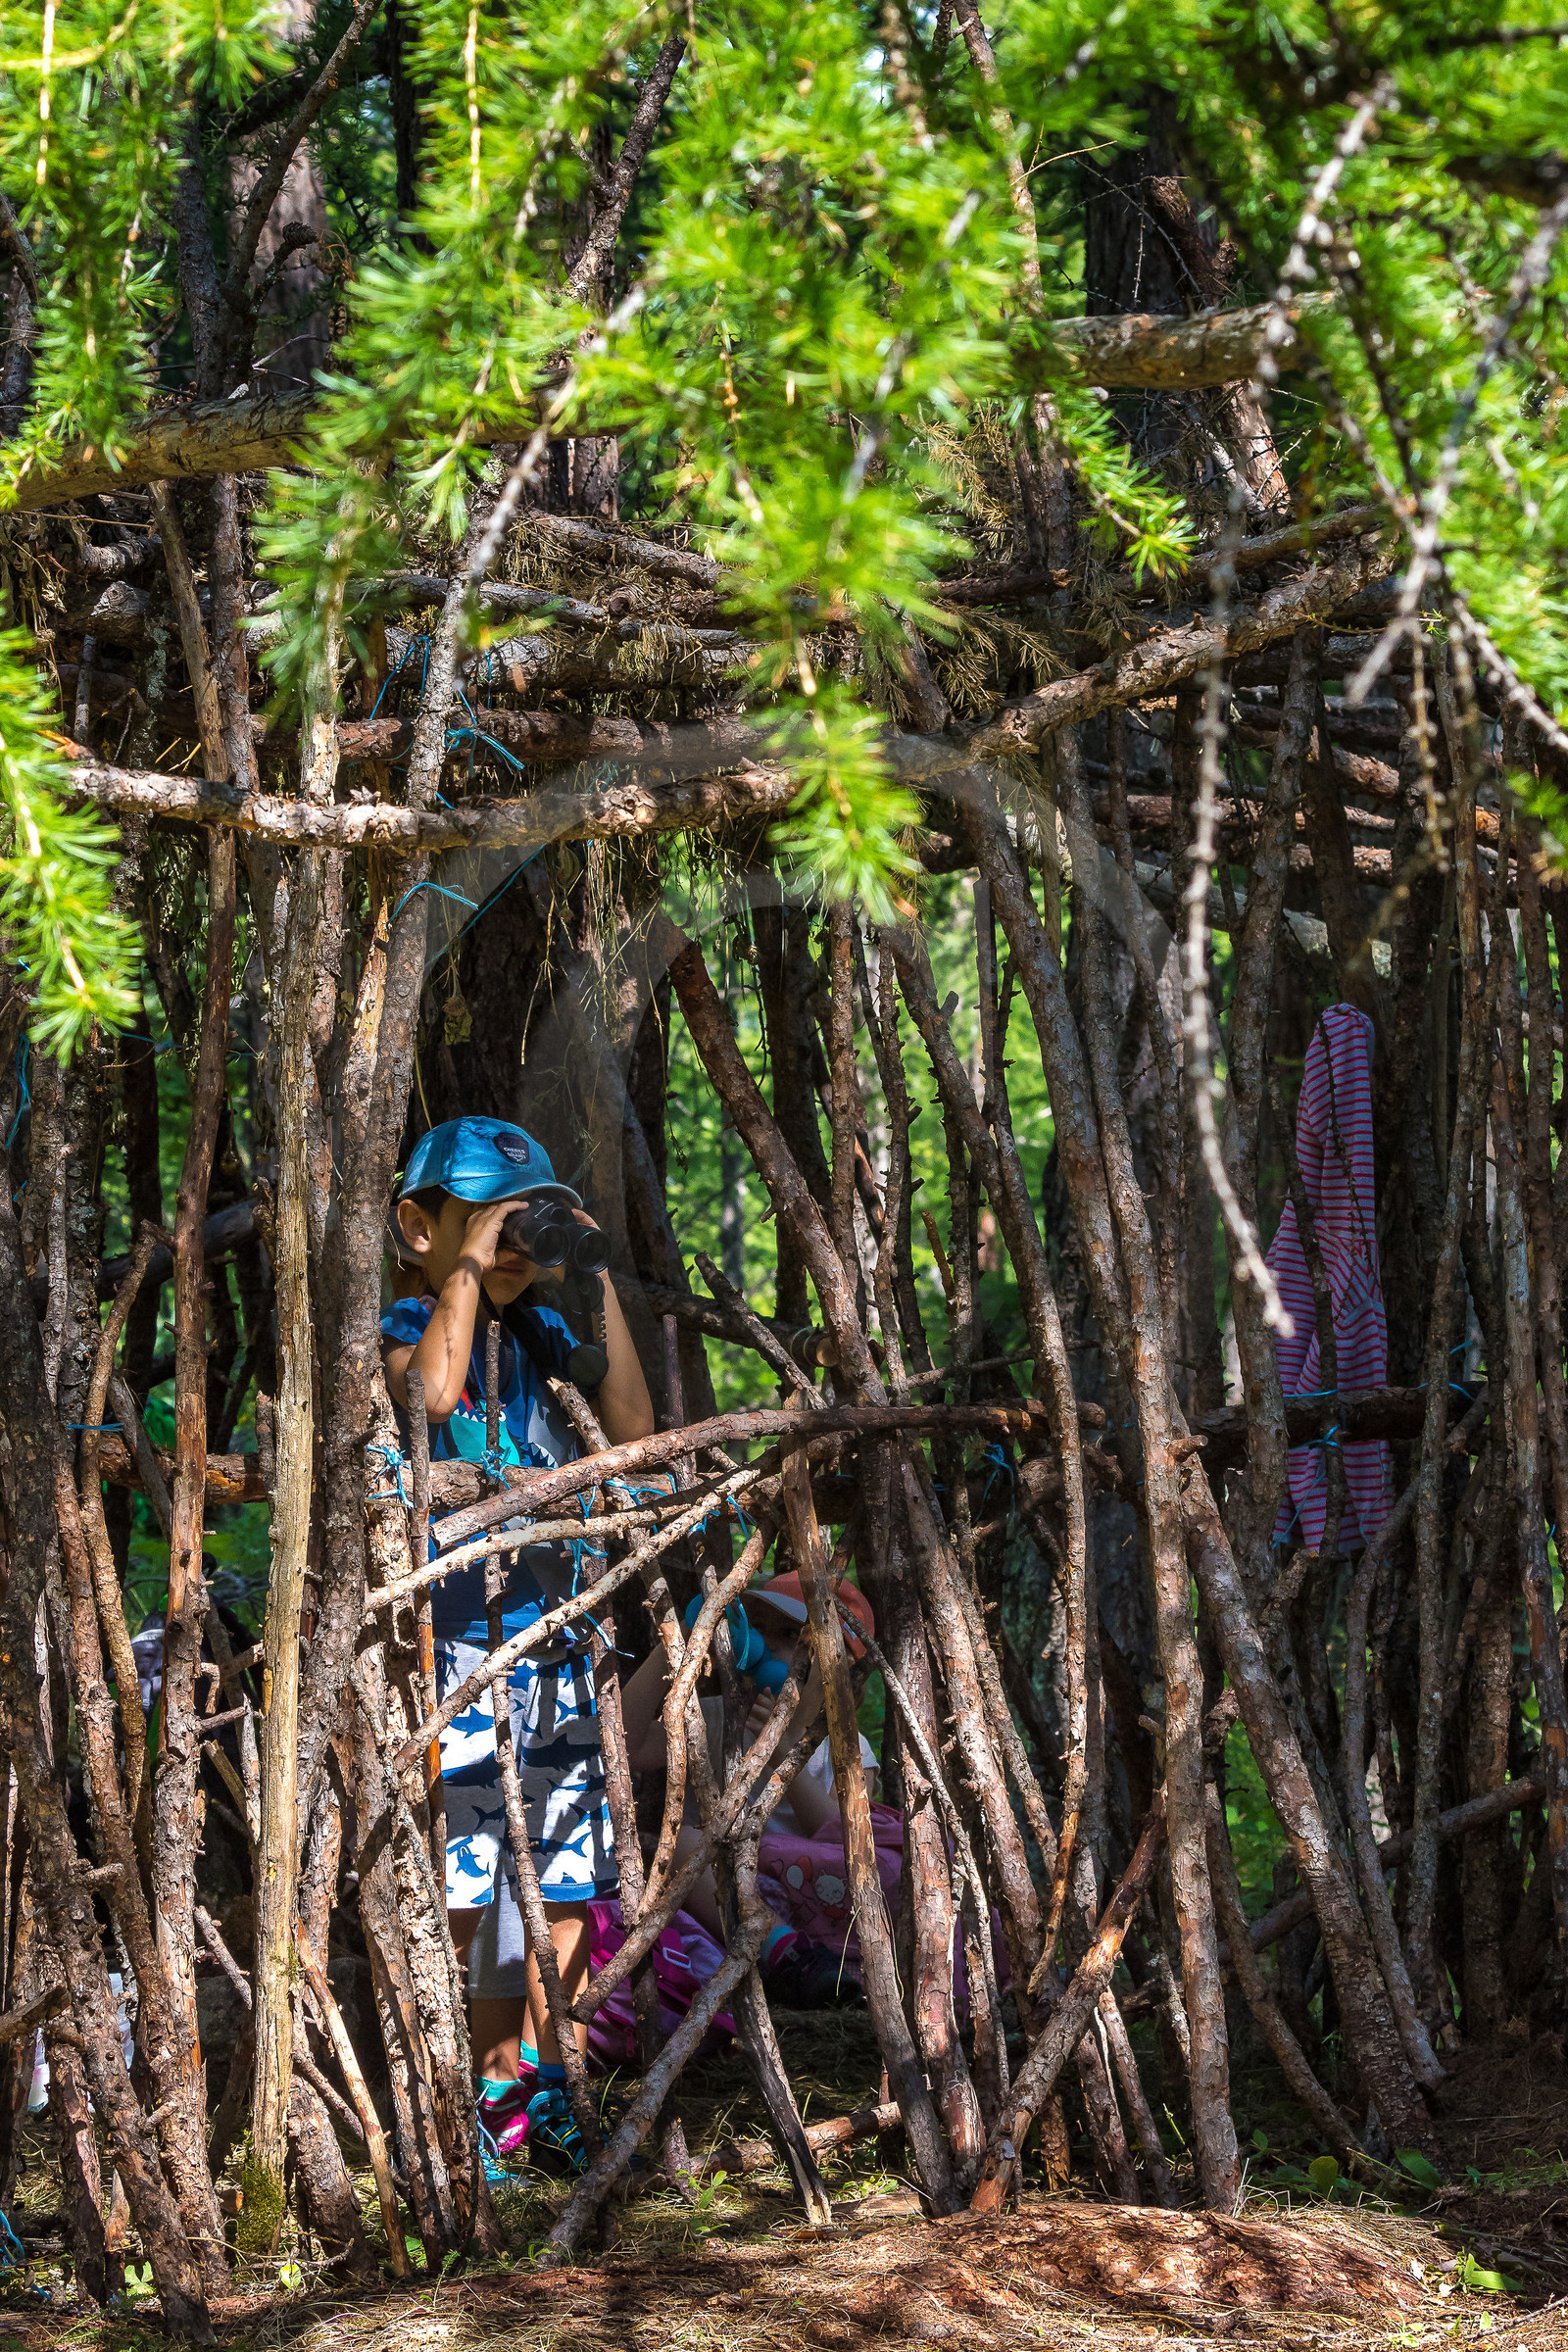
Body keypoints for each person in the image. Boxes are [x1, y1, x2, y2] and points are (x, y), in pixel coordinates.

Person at [380, 1115, 656, 2169]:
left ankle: (544, 2077)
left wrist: (594, 1282)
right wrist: (463, 1271)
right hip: (455, 1657)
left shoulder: (541, 1341)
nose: (512, 1239)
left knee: (570, 1869)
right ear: (418, 1225)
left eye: (525, 1215)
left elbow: (631, 1429)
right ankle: (483, 2078)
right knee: (473, 1872)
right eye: (486, 1214)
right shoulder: (407, 1323)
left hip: (554, 1648)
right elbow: (430, 1398)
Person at [618, 1570, 879, 2006]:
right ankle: (783, 1953)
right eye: (757, 1629)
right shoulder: (719, 1719)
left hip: (818, 1901)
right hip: (732, 1902)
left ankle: (794, 1957)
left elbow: (846, 1840)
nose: (768, 1644)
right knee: (681, 1843)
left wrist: (782, 1755)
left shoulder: (848, 1747)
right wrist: (686, 1633)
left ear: (837, 1669)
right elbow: (624, 1744)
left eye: (790, 1636)